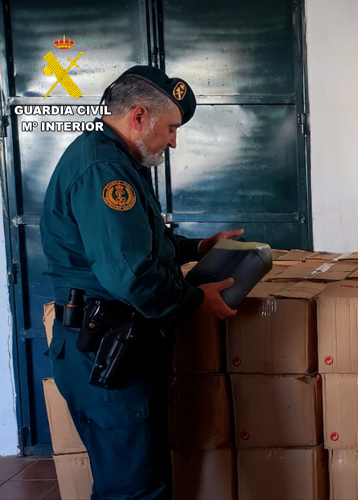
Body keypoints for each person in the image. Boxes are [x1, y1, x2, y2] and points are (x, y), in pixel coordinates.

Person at [40, 66, 239, 500]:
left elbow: (143, 245)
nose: (173, 141)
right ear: (138, 116)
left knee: (142, 480)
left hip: (116, 346)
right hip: (106, 350)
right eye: (171, 128)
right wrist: (195, 300)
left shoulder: (115, 160)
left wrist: (198, 247)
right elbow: (131, 276)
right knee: (133, 491)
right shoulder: (105, 171)